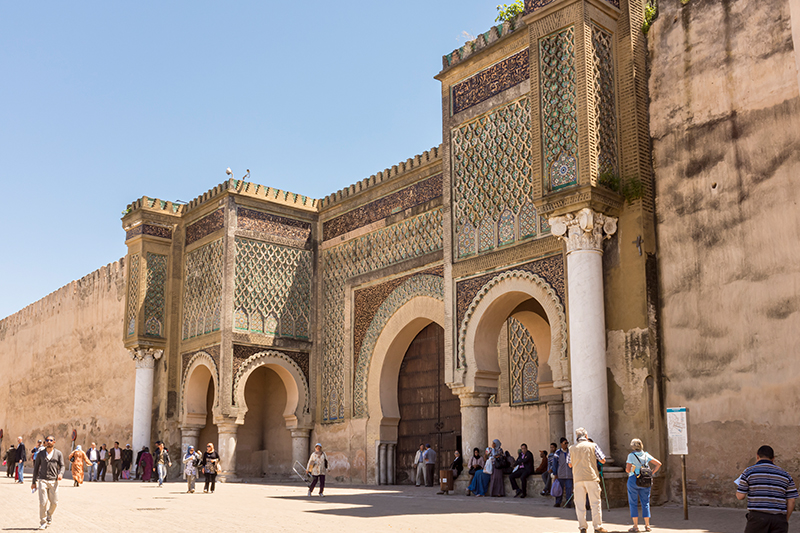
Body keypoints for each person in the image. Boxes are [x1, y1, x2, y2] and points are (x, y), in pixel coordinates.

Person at [736, 444, 797, 533]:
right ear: (773, 458)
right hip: (779, 519)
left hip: (758, 518)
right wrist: (784, 519)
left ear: (757, 456)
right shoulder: (785, 474)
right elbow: (792, 501)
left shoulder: (749, 472)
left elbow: (740, 496)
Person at [569, 428, 608, 533]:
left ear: (577, 437)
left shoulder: (571, 448)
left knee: (579, 504)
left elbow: (569, 464)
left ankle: (582, 527)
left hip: (578, 478)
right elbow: (603, 460)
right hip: (591, 477)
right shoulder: (593, 446)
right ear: (586, 436)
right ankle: (597, 526)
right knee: (595, 503)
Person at [625, 438, 662, 532]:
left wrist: (633, 468)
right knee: (645, 503)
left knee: (633, 503)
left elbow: (628, 470)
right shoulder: (646, 454)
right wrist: (652, 473)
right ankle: (647, 525)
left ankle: (635, 526)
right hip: (646, 480)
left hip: (634, 479)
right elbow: (658, 464)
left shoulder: (631, 455)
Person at [31, 435, 64, 530]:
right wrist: (33, 482)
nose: (49, 441)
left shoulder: (58, 453)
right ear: (45, 442)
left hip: (54, 481)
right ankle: (43, 522)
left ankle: (49, 514)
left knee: (54, 502)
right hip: (42, 480)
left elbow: (62, 466)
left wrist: (61, 473)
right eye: (47, 440)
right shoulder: (40, 454)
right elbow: (36, 468)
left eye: (51, 440)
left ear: (54, 442)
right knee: (43, 502)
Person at [554, 437, 573, 507]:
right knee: (559, 489)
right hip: (560, 474)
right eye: (565, 443)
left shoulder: (570, 452)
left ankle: (568, 503)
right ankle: (558, 502)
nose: (566, 445)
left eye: (567, 443)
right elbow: (555, 464)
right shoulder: (557, 453)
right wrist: (555, 473)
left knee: (569, 489)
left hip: (569, 474)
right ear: (561, 444)